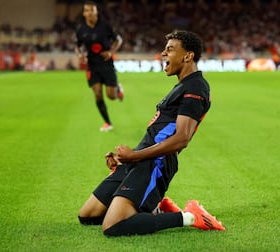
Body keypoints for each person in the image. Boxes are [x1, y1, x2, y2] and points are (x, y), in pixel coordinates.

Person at [78, 30, 225, 236]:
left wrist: (135, 156)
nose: (163, 54)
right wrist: (126, 159)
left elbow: (181, 139)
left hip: (156, 163)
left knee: (112, 226)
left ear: (188, 56)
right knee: (88, 215)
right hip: (141, 158)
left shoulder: (196, 87)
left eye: (170, 49)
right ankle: (153, 204)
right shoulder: (181, 86)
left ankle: (191, 216)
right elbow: (159, 132)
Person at [75, 1, 124, 132]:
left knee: (111, 96)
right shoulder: (81, 29)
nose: (89, 13)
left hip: (106, 64)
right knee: (97, 94)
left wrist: (110, 52)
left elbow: (118, 40)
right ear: (84, 13)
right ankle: (107, 122)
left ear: (96, 12)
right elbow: (77, 45)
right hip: (92, 65)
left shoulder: (105, 26)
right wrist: (80, 55)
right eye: (87, 10)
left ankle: (118, 89)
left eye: (92, 10)